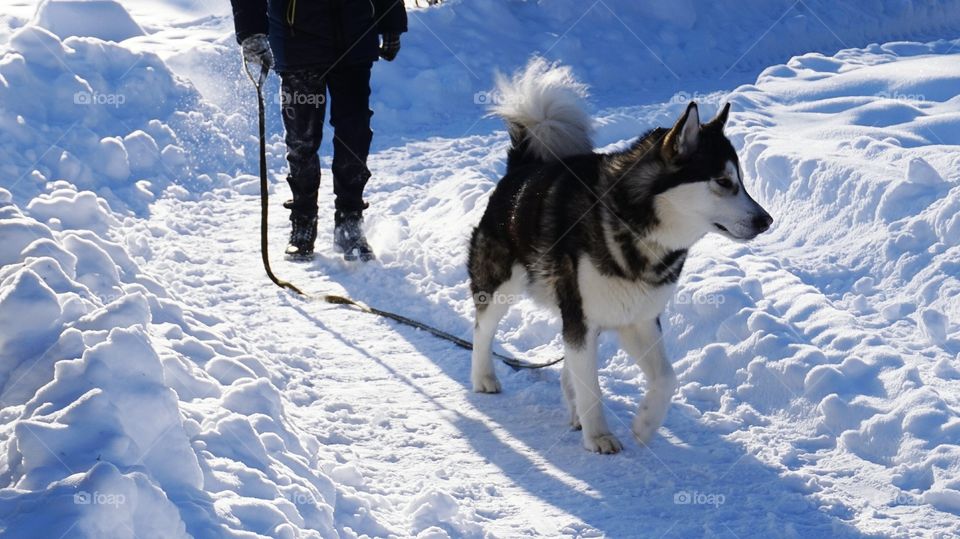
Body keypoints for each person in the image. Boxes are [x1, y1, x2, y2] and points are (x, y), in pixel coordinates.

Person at [231, 0, 407, 261]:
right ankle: (303, 223)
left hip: (354, 37)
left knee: (354, 132)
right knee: (302, 137)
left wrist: (391, 20)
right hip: (296, 41)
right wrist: (251, 32)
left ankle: (350, 223)